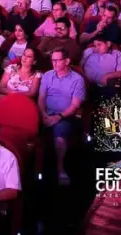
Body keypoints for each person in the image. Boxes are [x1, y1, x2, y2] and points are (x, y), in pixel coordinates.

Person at [38, 48, 85, 185]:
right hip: (46, 113)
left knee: (59, 137)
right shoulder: (47, 75)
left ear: (67, 61)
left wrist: (58, 117)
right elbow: (41, 97)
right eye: (52, 60)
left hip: (66, 115)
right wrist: (43, 114)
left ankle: (60, 168)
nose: (54, 63)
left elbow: (75, 106)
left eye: (57, 60)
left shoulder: (77, 79)